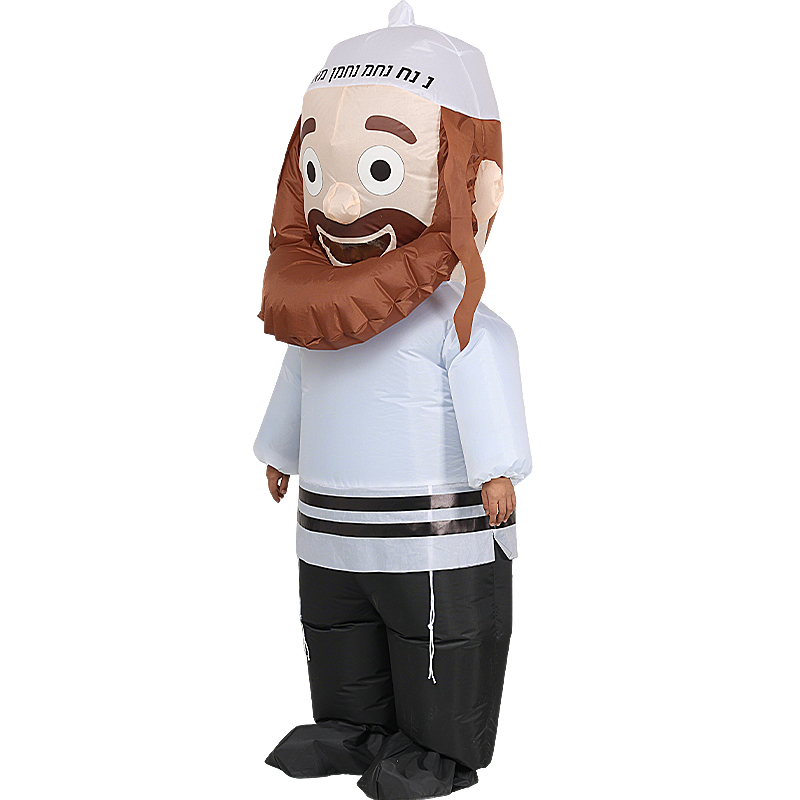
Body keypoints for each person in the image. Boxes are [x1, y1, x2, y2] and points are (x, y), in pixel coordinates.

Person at [254, 4, 531, 797]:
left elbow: (484, 378)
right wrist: (280, 452)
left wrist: (498, 471)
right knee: (336, 625)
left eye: (378, 172)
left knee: (437, 635)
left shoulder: (457, 322)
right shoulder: (319, 320)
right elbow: (300, 378)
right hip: (331, 524)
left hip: (430, 530)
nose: (340, 205)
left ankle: (437, 748)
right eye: (318, 174)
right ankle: (352, 725)